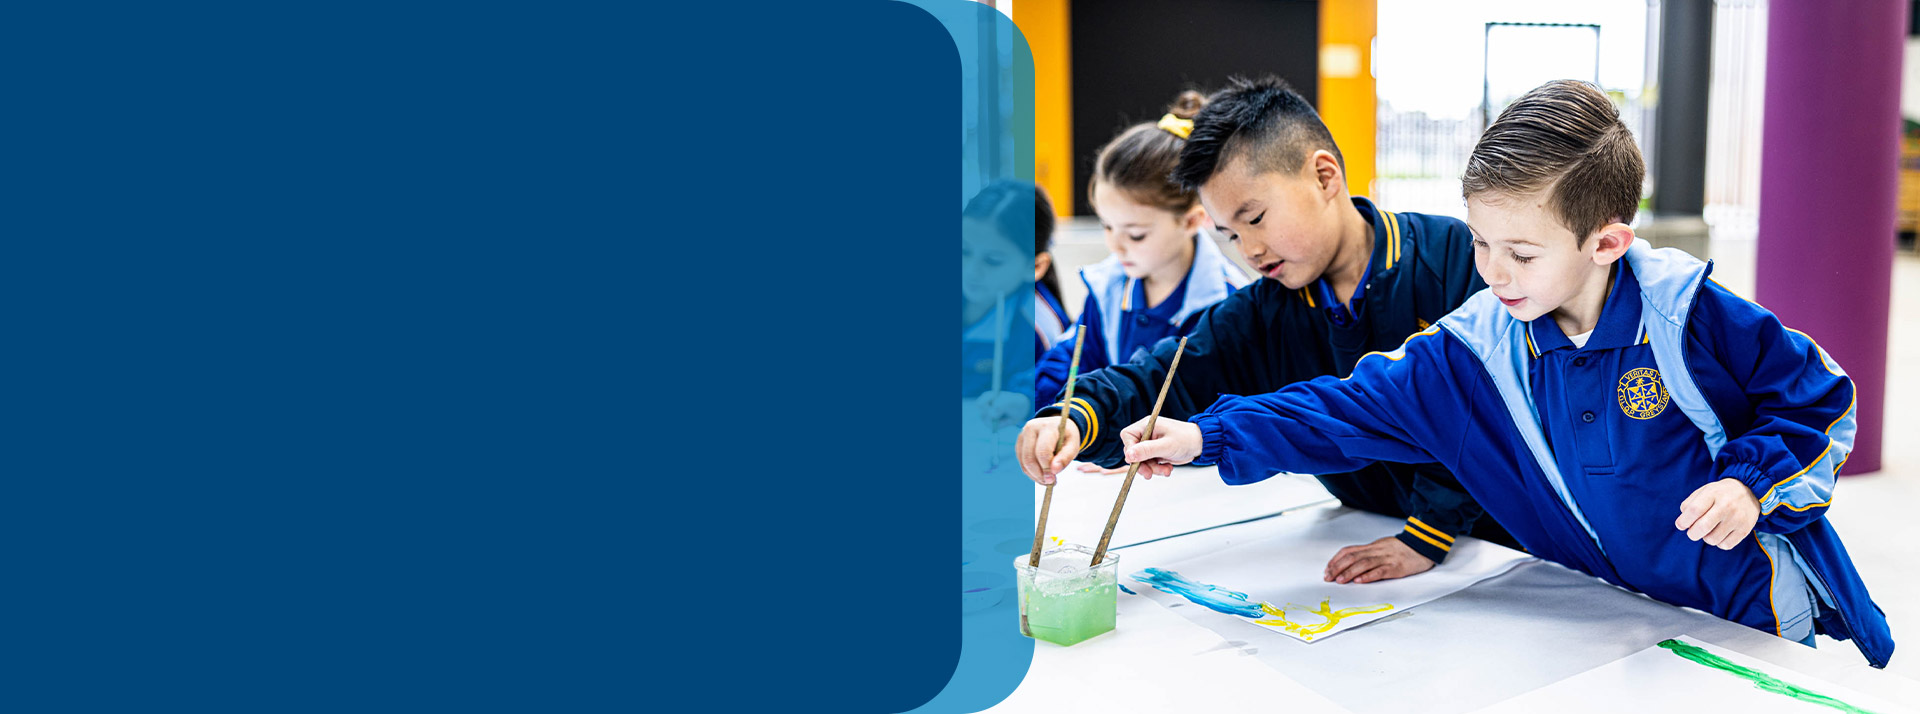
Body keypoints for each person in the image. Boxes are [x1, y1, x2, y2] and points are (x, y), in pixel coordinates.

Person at [1119, 80, 1894, 667]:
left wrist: (1750, 485)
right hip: (1622, 620)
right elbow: (1346, 408)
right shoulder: (1477, 345)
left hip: (1751, 613)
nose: (1492, 272)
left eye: (1521, 253)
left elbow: (1819, 402)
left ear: (1607, 243)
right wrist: (1206, 436)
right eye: (1481, 242)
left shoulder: (1686, 312)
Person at [1016, 76, 1515, 583]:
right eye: (1230, 234)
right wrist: (1078, 417)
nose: (1249, 250)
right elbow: (1165, 375)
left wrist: (1428, 533)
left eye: (1254, 218)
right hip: (1362, 533)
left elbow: (1479, 412)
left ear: (1324, 176)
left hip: (1495, 544)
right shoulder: (1266, 307)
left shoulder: (1454, 260)